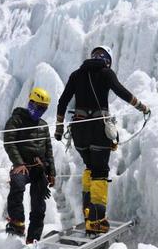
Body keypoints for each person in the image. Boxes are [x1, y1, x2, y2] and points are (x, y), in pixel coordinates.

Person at [54, 46, 150, 234]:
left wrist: (59, 127)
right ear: (107, 60)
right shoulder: (106, 73)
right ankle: (97, 220)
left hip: (79, 132)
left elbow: (62, 101)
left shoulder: (76, 75)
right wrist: (142, 107)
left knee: (89, 168)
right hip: (98, 129)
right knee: (100, 171)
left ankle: (88, 212)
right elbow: (122, 92)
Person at [3, 87, 56, 243]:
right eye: (38, 106)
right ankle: (17, 222)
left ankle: (33, 238)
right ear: (31, 102)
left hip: (39, 170)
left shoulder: (44, 125)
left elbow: (48, 150)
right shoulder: (16, 120)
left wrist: (51, 172)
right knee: (17, 185)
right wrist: (18, 163)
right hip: (22, 166)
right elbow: (9, 142)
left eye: (43, 108)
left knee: (39, 204)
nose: (40, 111)